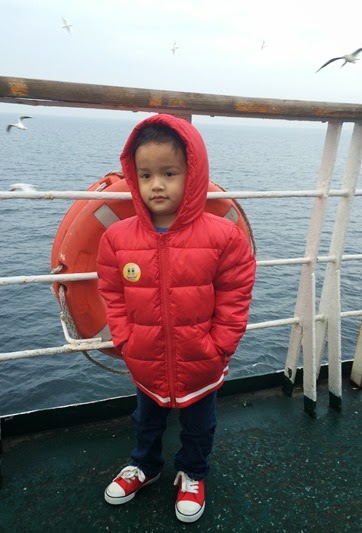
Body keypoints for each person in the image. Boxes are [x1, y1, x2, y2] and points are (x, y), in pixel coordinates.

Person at [96, 113, 256, 523]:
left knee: (200, 425)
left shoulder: (223, 237)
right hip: (145, 358)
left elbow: (235, 295)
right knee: (144, 420)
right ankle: (144, 465)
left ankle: (193, 472)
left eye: (169, 173)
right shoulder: (117, 238)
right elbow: (112, 293)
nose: (157, 185)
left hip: (202, 359)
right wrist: (126, 339)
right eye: (146, 175)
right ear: (133, 177)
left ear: (193, 174)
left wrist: (220, 347)